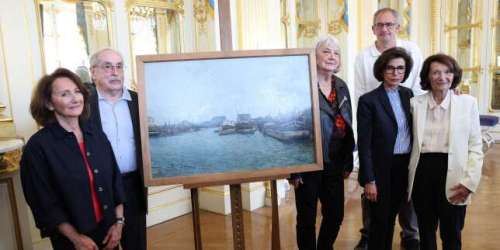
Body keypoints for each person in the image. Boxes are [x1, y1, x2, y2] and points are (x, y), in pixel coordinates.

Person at [20, 68, 125, 250]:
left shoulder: (96, 135)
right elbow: (44, 202)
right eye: (65, 94)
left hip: (109, 232)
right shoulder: (37, 147)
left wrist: (119, 224)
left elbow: (115, 181)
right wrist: (76, 239)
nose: (75, 98)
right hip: (72, 239)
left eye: (77, 91)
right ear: (50, 103)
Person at [353, 7, 421, 250]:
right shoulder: (369, 100)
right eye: (390, 68)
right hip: (381, 166)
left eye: (400, 69)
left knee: (393, 217)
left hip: (404, 165)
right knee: (380, 222)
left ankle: (408, 237)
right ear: (382, 70)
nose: (395, 72)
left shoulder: (408, 94)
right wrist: (368, 178)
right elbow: (365, 141)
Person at [407, 54, 483, 250]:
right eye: (436, 72)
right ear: (428, 76)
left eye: (448, 72)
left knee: (452, 234)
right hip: (422, 173)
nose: (442, 77)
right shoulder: (415, 104)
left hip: (455, 174)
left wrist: (470, 182)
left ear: (454, 75)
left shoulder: (468, 103)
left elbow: (475, 146)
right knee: (426, 232)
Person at [289, 35, 355, 250]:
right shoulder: (301, 84)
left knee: (335, 215)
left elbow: (347, 122)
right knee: (306, 218)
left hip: (335, 162)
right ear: (314, 55)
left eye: (336, 53)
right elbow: (291, 126)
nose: (332, 56)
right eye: (326, 51)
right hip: (309, 162)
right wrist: (295, 170)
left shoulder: (341, 85)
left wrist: (347, 160)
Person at [89, 48, 147, 250]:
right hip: (98, 189)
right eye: (107, 67)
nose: (115, 72)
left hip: (133, 186)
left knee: (136, 244)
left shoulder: (140, 102)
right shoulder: (83, 106)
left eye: (119, 66)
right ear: (93, 72)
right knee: (105, 244)